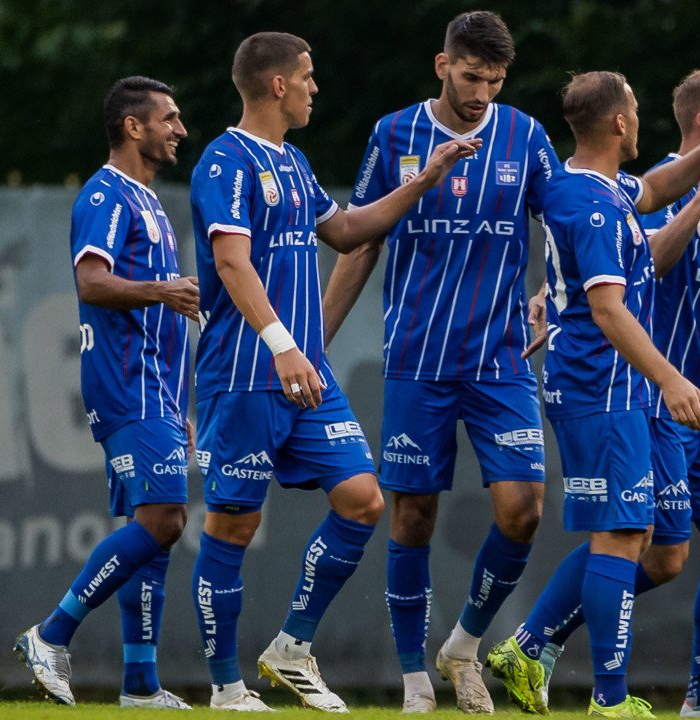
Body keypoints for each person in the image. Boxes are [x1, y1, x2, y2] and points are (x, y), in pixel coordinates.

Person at [187, 32, 479, 712]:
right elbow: (232, 263)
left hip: (302, 375)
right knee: (231, 525)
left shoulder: (291, 161)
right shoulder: (224, 162)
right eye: (309, 76)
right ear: (278, 85)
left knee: (363, 499)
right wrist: (283, 343)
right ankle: (227, 688)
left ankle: (292, 645)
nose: (317, 87)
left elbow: (349, 231)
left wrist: (424, 179)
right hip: (246, 373)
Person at [485, 71, 700, 719]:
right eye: (634, 108)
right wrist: (669, 377)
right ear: (620, 124)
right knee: (623, 535)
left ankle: (545, 659)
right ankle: (607, 698)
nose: (639, 118)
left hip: (611, 387)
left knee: (636, 538)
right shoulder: (589, 202)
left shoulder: (602, 188)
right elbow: (608, 308)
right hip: (599, 387)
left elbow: (657, 186)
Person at [321, 11, 557, 714]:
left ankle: (463, 645)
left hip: (500, 359)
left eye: (494, 79)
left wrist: (554, 294)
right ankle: (414, 680)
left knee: (524, 511)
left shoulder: (525, 136)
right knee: (413, 514)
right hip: (417, 358)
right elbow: (360, 240)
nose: (482, 92)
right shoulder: (395, 133)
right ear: (441, 65)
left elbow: (569, 228)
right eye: (471, 76)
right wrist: (314, 340)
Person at [14, 76, 196, 710]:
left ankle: (140, 684)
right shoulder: (107, 194)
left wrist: (180, 404)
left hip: (158, 393)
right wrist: (164, 290)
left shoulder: (149, 201)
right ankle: (51, 633)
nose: (179, 129)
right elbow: (92, 283)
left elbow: (158, 323)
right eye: (168, 119)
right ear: (132, 127)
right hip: (127, 384)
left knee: (154, 525)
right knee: (164, 519)